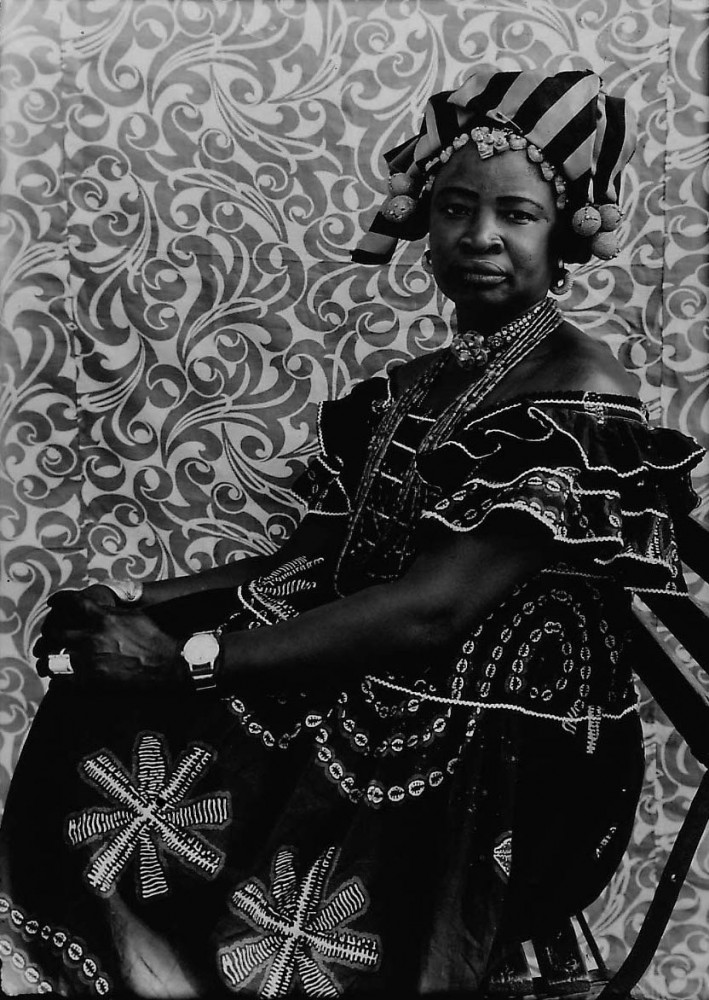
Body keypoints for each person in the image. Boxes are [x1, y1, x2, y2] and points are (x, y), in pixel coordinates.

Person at [0, 68, 703, 998]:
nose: (480, 237)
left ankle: (196, 970)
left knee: (158, 708)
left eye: (516, 214)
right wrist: (136, 603)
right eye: (455, 208)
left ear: (563, 232)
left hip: (496, 741)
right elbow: (317, 561)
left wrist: (184, 661)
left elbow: (429, 610)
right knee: (93, 683)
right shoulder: (418, 385)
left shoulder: (577, 388)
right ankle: (139, 971)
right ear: (425, 221)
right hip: (401, 674)